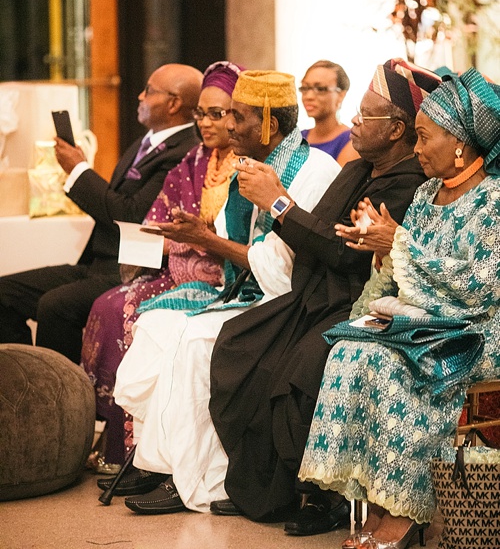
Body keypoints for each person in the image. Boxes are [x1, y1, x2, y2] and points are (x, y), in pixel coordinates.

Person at [209, 59, 440, 534]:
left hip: (353, 303)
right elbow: (324, 236)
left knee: (294, 374)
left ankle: (323, 496)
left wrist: (277, 202)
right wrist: (285, 210)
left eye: (366, 116)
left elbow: (341, 251)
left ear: (397, 129)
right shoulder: (358, 169)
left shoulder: (409, 183)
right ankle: (267, 490)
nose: (353, 121)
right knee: (239, 348)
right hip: (311, 295)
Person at [109, 70, 340, 514]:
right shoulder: (247, 169)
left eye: (238, 116)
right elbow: (246, 247)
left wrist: (211, 241)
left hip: (285, 303)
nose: (228, 125)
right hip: (246, 288)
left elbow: (280, 271)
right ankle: (159, 461)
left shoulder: (313, 173)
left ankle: (201, 480)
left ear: (270, 126)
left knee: (193, 343)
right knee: (156, 324)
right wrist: (200, 232)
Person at [297, 67, 500, 548]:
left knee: (395, 366)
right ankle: (378, 502)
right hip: (424, 318)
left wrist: (402, 244)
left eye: (424, 138)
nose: (416, 148)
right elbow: (409, 266)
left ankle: (406, 513)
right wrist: (382, 244)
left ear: (460, 144)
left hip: (478, 329)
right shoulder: (428, 193)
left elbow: (484, 284)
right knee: (349, 352)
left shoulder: (494, 201)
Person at [82, 61, 242, 469]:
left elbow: (241, 240)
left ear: (238, 116)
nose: (206, 123)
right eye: (201, 114)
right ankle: (116, 439)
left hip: (220, 276)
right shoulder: (192, 160)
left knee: (129, 314)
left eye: (217, 114)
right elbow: (158, 219)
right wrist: (173, 237)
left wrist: (199, 237)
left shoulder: (246, 165)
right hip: (175, 266)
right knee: (107, 305)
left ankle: (140, 450)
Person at [0, 63, 203, 364]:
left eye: (149, 90)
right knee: (5, 293)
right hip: (100, 262)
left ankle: (63, 401)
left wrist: (79, 170)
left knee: (55, 305)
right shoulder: (147, 140)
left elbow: (132, 215)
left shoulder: (183, 152)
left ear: (173, 103)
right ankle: (20, 386)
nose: (139, 96)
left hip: (133, 269)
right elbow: (116, 203)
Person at [300, 59, 358, 166]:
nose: (309, 96)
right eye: (305, 88)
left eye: (320, 89)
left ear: (341, 95)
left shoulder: (352, 141)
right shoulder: (298, 139)